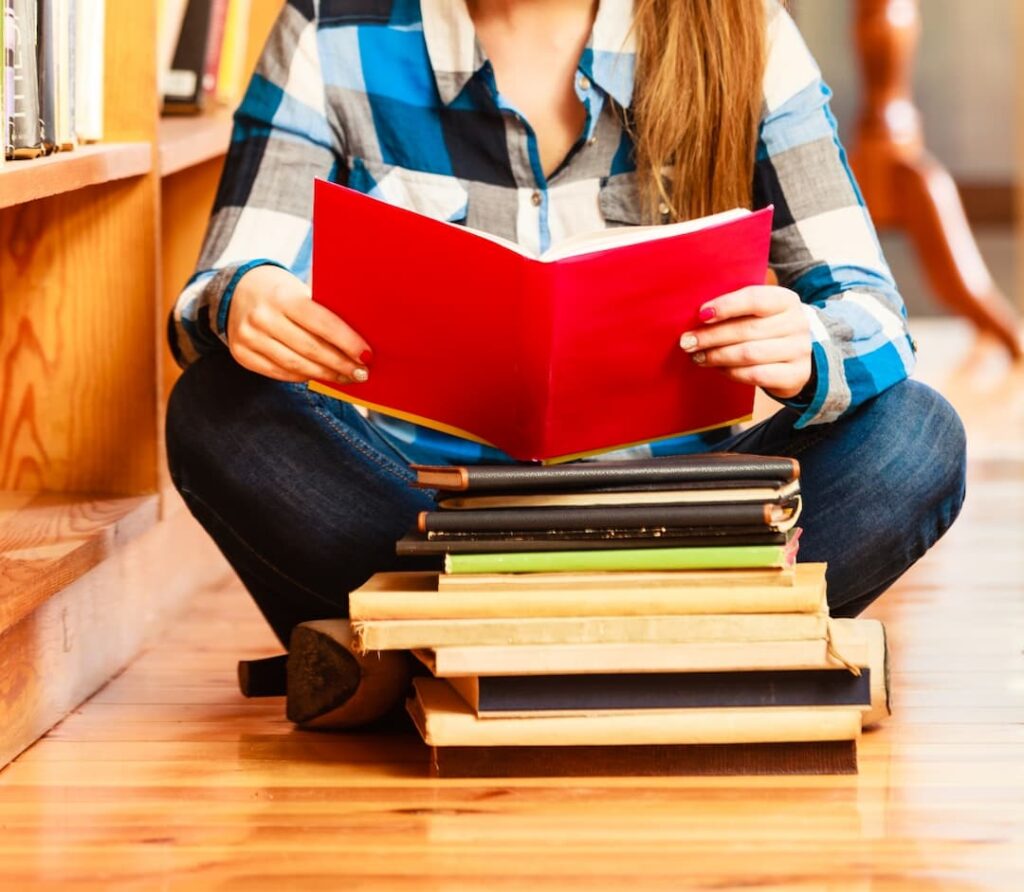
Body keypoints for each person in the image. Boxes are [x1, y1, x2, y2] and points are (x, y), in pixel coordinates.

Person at [165, 0, 966, 719]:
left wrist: (813, 346)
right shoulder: (329, 27)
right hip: (418, 522)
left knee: (917, 435)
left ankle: (414, 659)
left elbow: (869, 309)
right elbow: (217, 289)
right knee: (217, 409)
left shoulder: (743, 30)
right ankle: (671, 661)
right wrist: (242, 301)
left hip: (681, 530)